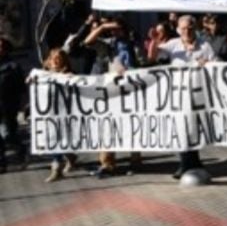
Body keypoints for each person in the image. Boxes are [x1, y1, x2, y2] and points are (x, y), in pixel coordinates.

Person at [147, 14, 216, 179]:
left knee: (195, 128)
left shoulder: (205, 45)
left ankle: (195, 162)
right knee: (181, 128)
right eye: (184, 28)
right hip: (178, 96)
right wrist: (154, 41)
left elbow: (216, 65)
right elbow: (152, 57)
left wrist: (207, 64)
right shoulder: (173, 44)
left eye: (190, 28)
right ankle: (185, 164)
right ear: (178, 30)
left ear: (195, 28)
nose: (187, 31)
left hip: (198, 95)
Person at [83, 17, 140, 177]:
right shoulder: (109, 45)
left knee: (131, 125)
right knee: (107, 124)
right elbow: (88, 41)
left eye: (118, 29)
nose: (115, 32)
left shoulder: (134, 44)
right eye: (112, 30)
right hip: (112, 91)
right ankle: (107, 163)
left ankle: (135, 160)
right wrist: (103, 27)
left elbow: (146, 61)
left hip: (132, 90)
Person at [39, 48, 79, 182]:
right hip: (50, 114)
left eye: (58, 59)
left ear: (64, 61)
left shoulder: (69, 74)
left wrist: (73, 79)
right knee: (54, 139)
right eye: (53, 59)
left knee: (58, 140)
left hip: (65, 114)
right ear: (49, 61)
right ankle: (70, 157)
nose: (55, 61)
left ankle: (56, 169)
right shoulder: (43, 75)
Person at [0, 37, 26, 174]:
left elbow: (21, 88)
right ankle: (2, 163)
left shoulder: (13, 66)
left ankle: (21, 149)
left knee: (7, 134)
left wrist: (22, 107)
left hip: (8, 106)